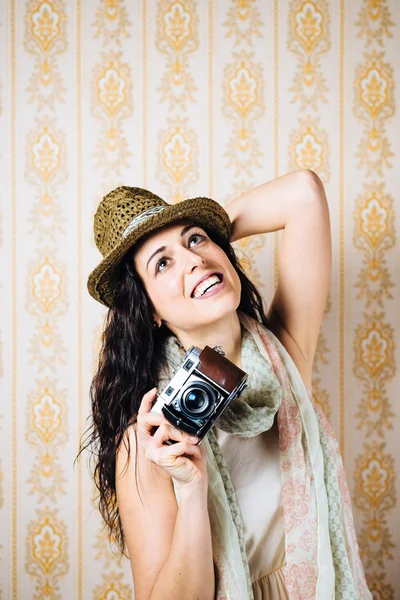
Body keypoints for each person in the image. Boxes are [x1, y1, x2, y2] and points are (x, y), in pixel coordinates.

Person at [86, 171, 372, 600]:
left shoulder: (283, 359)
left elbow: (304, 194)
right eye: (162, 263)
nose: (193, 260)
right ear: (148, 312)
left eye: (196, 239)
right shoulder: (150, 437)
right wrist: (190, 487)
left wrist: (207, 232)